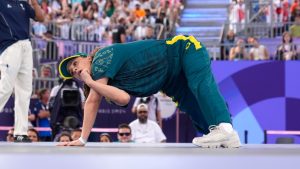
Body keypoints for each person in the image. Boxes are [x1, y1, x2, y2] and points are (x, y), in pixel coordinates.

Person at [58, 34, 241, 148]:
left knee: (199, 84)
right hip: (169, 80)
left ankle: (224, 127)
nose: (74, 70)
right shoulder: (103, 81)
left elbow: (92, 101)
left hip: (182, 50)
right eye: (72, 73)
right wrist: (92, 83)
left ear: (86, 57)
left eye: (75, 64)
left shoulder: (100, 58)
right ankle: (223, 135)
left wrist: (82, 139)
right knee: (190, 105)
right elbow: (123, 99)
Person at [0, 0, 45, 142]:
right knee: (5, 88)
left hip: (26, 45)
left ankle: (20, 132)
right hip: (9, 47)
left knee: (24, 91)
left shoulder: (23, 4)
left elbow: (41, 18)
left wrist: (35, 3)